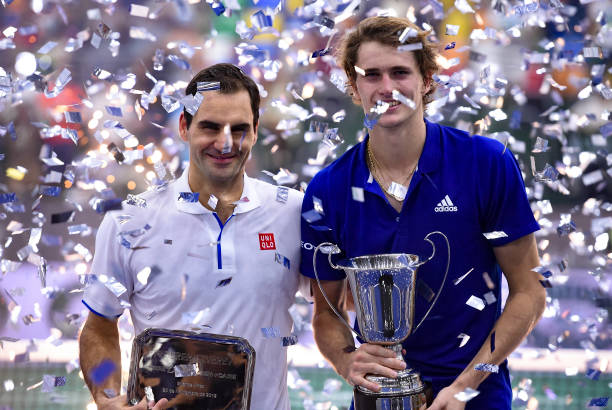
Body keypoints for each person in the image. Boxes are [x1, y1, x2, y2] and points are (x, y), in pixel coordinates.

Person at [300, 16, 546, 410]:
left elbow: (529, 291)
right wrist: (348, 362)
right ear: (353, 84)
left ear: (427, 79)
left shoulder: (485, 163)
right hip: (378, 399)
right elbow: (326, 317)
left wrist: (465, 386)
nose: (387, 88)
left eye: (400, 72)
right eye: (371, 75)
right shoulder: (327, 190)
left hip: (475, 397)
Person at [79, 63, 306, 409]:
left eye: (240, 128)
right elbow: (99, 327)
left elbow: (333, 304)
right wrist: (107, 397)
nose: (225, 142)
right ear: (184, 127)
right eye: (210, 127)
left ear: (257, 130)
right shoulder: (128, 221)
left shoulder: (293, 212)